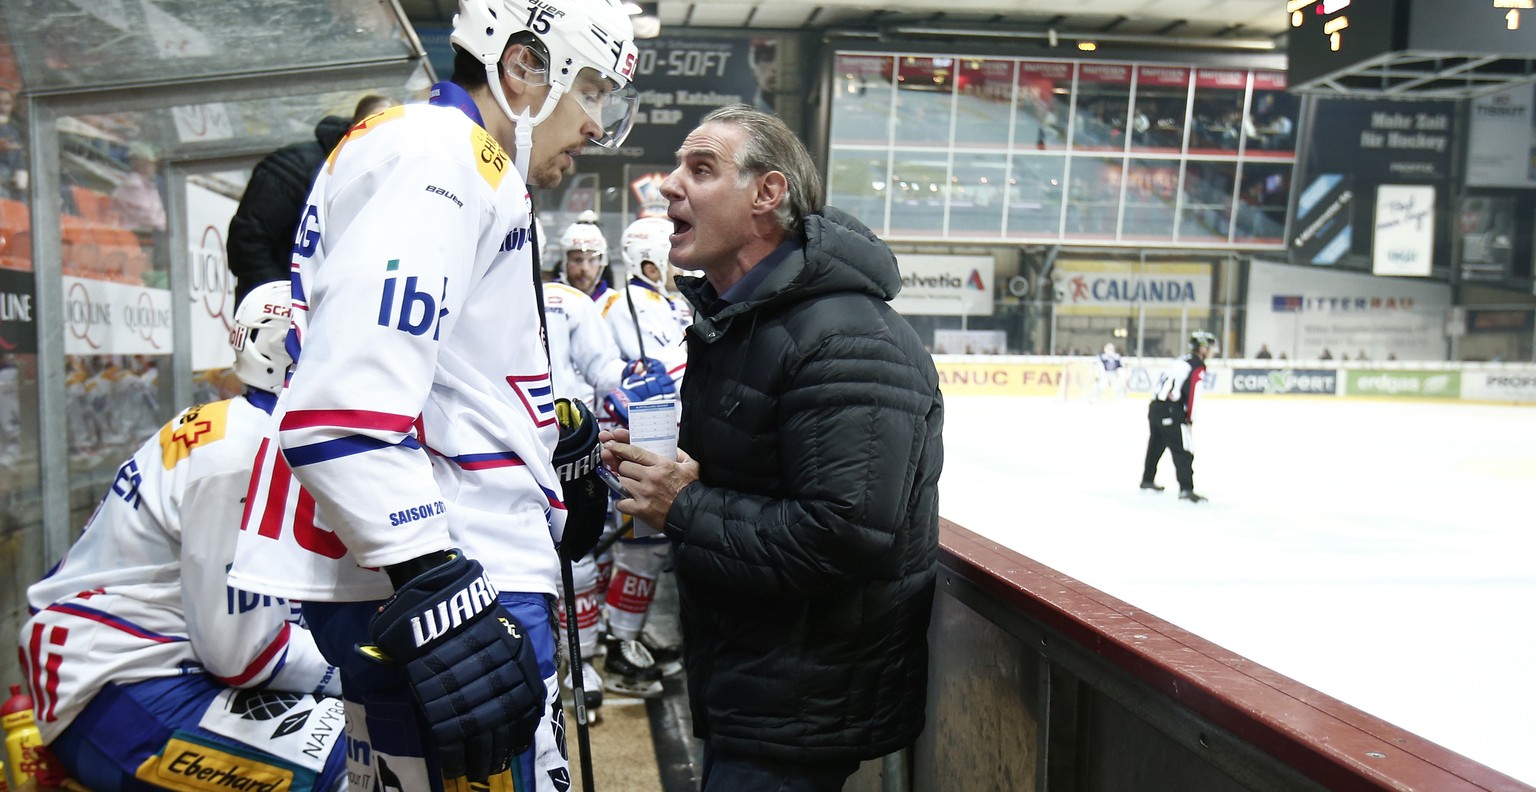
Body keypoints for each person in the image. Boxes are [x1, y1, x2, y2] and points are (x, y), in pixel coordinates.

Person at [227, 1, 640, 788]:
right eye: (591, 89)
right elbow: (342, 409)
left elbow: (439, 371)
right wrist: (437, 582)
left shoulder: (452, 156)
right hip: (461, 571)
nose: (596, 124)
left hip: (457, 561)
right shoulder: (440, 155)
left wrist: (551, 435)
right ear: (523, 67)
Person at [598, 105, 944, 791]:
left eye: (700, 169)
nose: (669, 185)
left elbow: (842, 533)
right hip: (752, 687)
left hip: (800, 711)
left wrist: (686, 503)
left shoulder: (848, 339)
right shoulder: (747, 323)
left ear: (767, 195)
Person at [17, 282, 352, 792]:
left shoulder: (245, 429)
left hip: (150, 663)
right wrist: (369, 672)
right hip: (115, 682)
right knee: (362, 764)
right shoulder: (243, 454)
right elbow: (244, 657)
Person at [226, 94, 399, 305]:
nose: (380, 143)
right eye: (373, 132)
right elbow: (248, 242)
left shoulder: (382, 179)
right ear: (354, 128)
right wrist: (285, 305)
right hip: (277, 318)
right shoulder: (293, 167)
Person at [1140, 329, 1214, 502]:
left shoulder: (1182, 360)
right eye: (1209, 347)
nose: (1212, 351)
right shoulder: (1197, 365)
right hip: (1172, 409)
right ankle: (1186, 489)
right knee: (1183, 449)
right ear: (1202, 348)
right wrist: (1189, 417)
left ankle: (1147, 479)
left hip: (1156, 407)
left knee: (1156, 444)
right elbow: (1194, 392)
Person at [556, 217, 614, 300]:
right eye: (577, 260)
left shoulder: (614, 303)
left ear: (601, 263)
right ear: (564, 262)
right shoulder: (547, 298)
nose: (585, 268)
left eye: (592, 260)